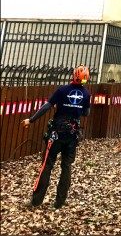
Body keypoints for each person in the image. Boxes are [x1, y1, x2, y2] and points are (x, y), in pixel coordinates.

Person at [22, 65, 91, 209]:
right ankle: (60, 202)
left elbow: (47, 106)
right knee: (66, 166)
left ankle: (36, 201)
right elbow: (86, 113)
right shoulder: (86, 94)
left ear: (73, 75)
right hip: (73, 134)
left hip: (57, 132)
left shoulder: (62, 90)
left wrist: (31, 119)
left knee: (47, 164)